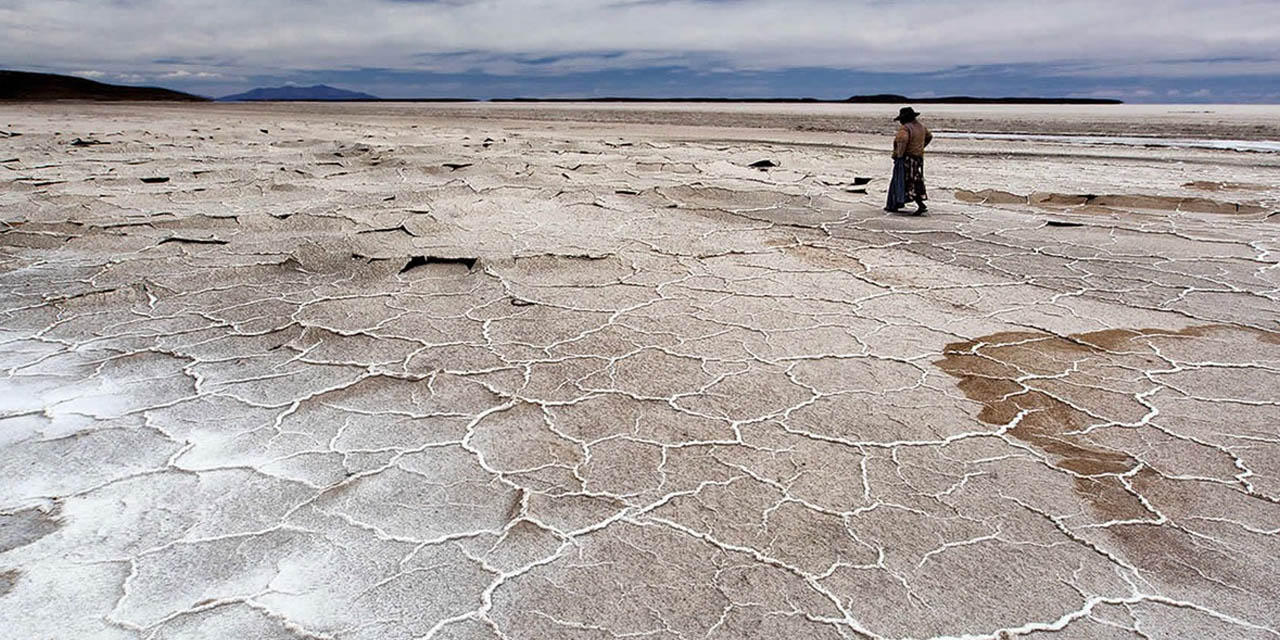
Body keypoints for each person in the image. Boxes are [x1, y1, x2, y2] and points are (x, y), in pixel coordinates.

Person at [885, 107, 933, 215]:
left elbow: (902, 142)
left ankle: (920, 205)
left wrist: (898, 155)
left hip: (907, 159)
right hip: (917, 158)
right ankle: (897, 203)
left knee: (906, 182)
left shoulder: (905, 129)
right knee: (914, 181)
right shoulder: (921, 127)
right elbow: (929, 136)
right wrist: (921, 147)